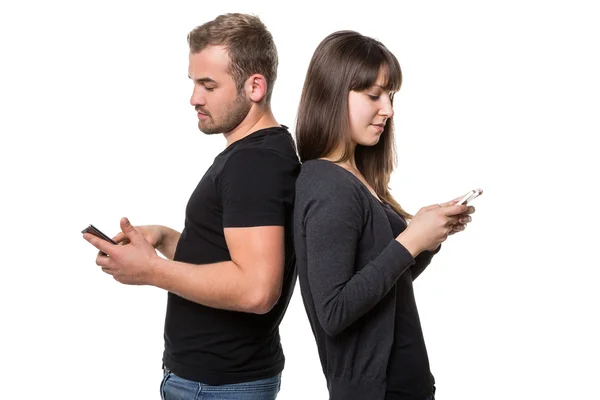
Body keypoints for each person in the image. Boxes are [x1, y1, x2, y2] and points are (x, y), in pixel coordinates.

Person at [82, 13, 300, 400]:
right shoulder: (255, 154)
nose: (194, 97)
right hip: (213, 381)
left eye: (208, 85)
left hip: (219, 387)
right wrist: (166, 238)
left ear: (255, 86)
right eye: (194, 83)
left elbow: (256, 289)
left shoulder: (256, 163)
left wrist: (152, 271)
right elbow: (229, 256)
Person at [293, 30, 477, 400]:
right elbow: (335, 310)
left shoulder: (353, 176)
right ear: (332, 92)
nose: (388, 110)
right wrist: (410, 240)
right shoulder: (330, 185)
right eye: (373, 95)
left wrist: (427, 239)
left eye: (390, 96)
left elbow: (383, 287)